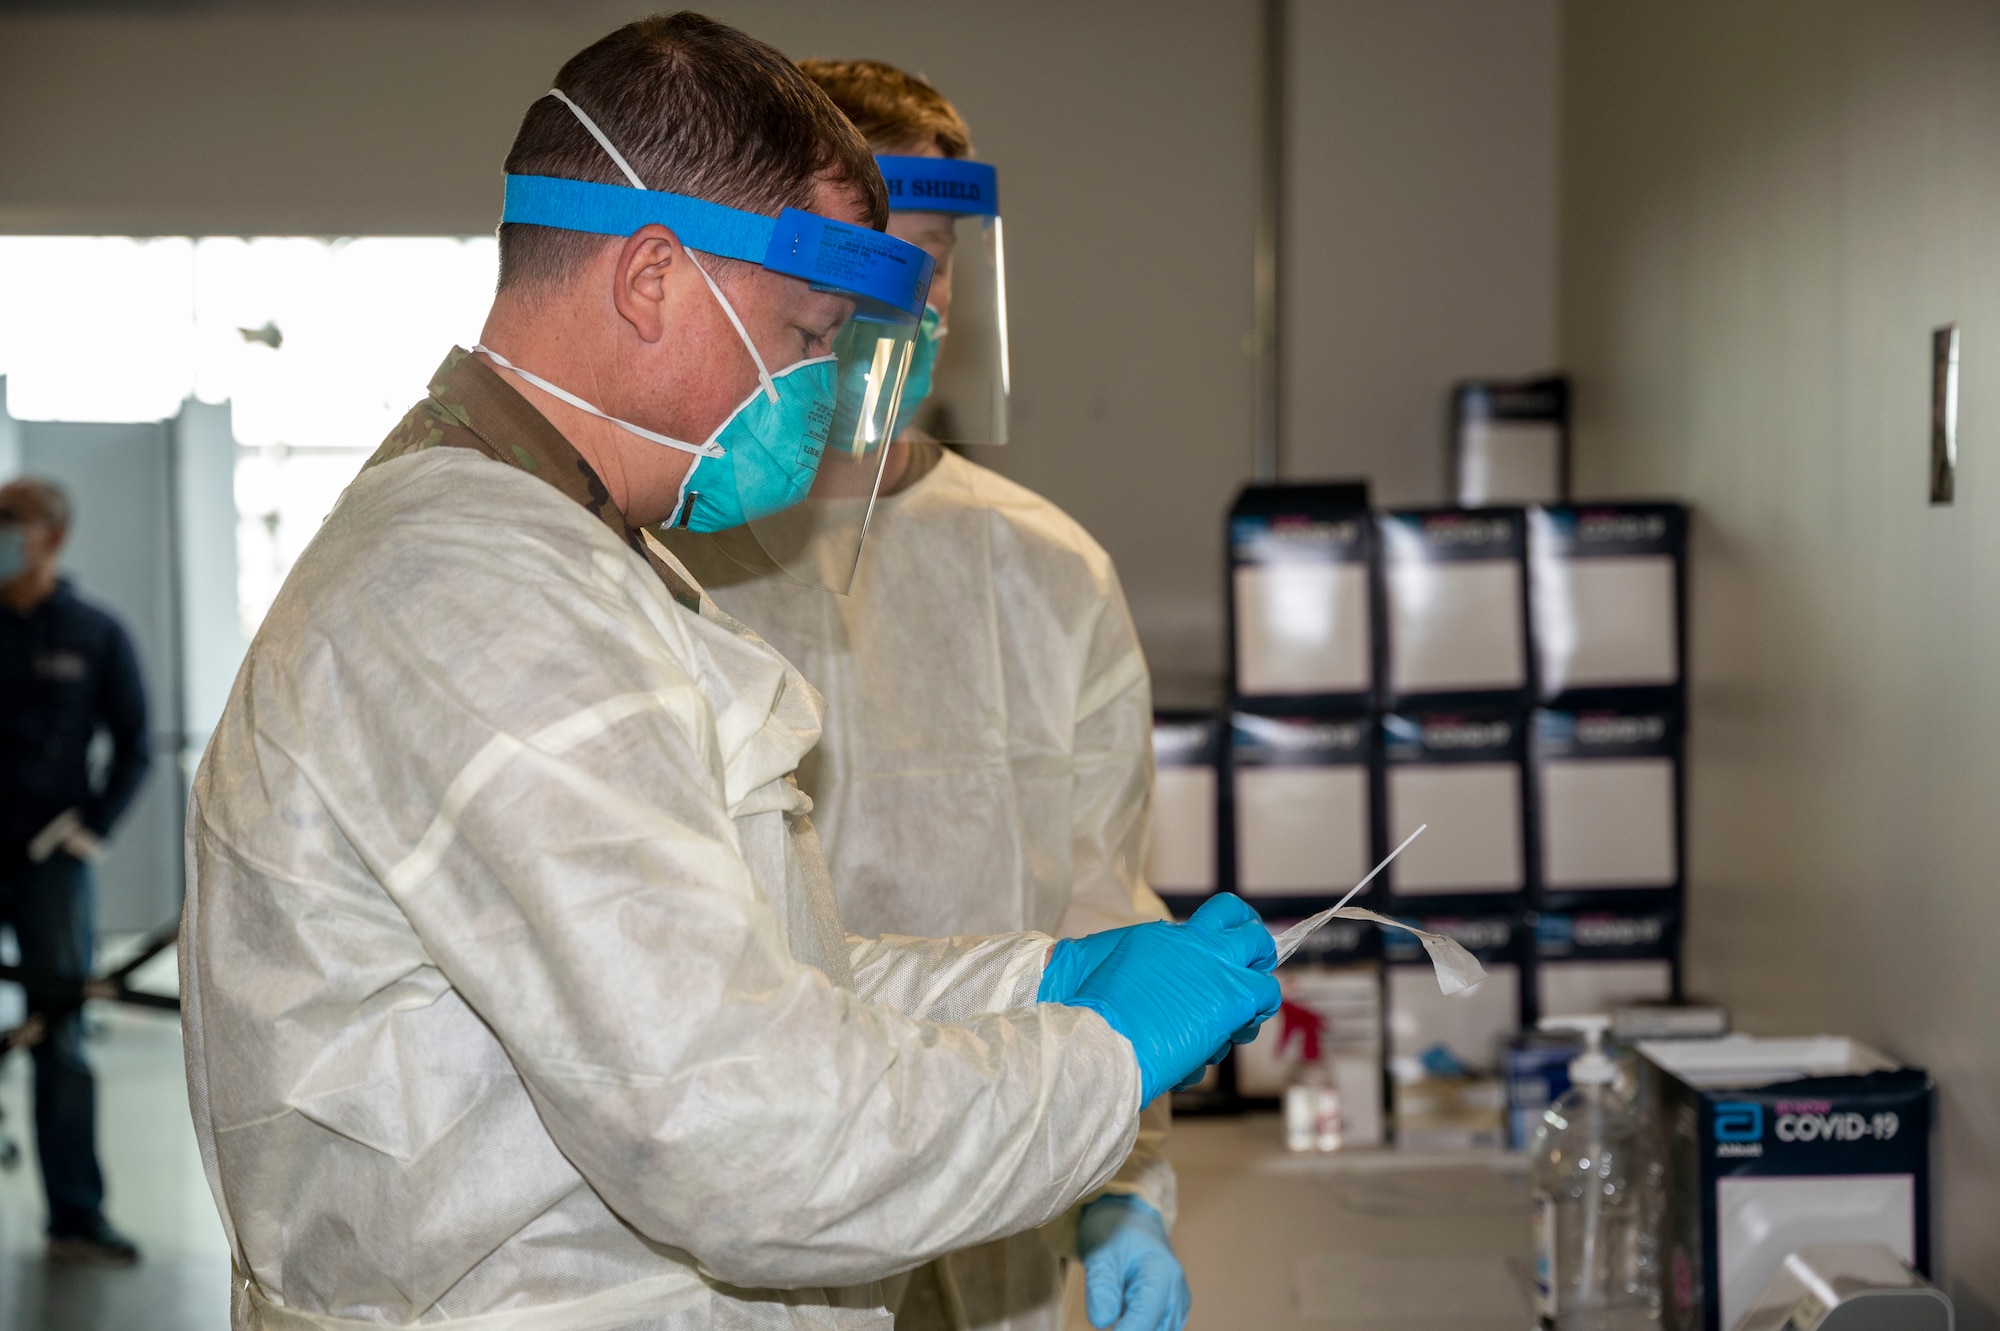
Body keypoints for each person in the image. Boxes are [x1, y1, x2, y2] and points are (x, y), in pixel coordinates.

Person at [179, 14, 1279, 1331]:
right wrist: (1098, 1060)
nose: (826, 389)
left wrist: (1032, 980)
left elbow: (751, 979)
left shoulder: (564, 553)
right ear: (652, 278)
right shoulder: (486, 598)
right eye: (808, 333)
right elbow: (746, 1129)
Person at [669, 60, 1187, 1331]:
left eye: (938, 255)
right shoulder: (682, 558)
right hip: (772, 1196)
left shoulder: (1047, 566)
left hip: (1013, 1172)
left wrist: (1122, 1179)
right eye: (875, 254)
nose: (912, 293)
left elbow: (1097, 901)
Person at [0, 477, 148, 1266]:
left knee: (59, 1040)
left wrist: (90, 831)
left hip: (49, 866)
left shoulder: (94, 632)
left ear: (52, 536)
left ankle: (75, 1212)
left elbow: (135, 742)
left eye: (10, 523)